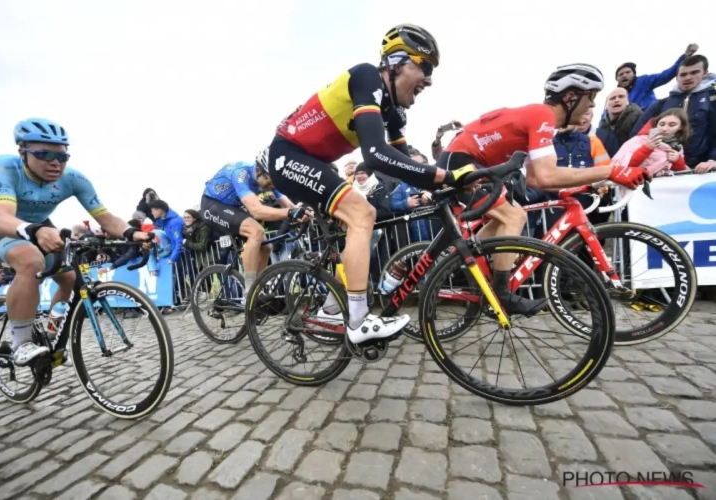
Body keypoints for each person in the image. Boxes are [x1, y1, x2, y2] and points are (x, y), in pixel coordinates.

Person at [267, 24, 477, 344]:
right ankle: (358, 321)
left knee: (356, 230)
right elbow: (376, 155)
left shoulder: (393, 112)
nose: (430, 78)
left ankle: (329, 307)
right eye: (425, 67)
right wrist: (444, 177)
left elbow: (403, 164)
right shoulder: (367, 77)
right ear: (395, 63)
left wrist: (440, 187)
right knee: (362, 214)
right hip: (287, 155)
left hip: (318, 162)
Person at [439, 64, 652, 315]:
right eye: (591, 97)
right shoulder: (543, 117)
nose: (591, 107)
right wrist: (610, 171)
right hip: (461, 161)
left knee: (508, 217)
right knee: (514, 216)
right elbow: (546, 175)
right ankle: (502, 293)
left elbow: (535, 180)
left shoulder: (542, 123)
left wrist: (583, 183)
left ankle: (456, 262)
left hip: (472, 162)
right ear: (571, 97)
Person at [0, 118, 151, 366]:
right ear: (23, 153)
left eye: (62, 157)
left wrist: (132, 234)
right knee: (30, 261)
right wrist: (35, 231)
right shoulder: (1, 169)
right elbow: (0, 219)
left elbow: (106, 218)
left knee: (69, 278)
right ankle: (21, 344)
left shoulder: (74, 179)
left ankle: (50, 335)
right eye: (44, 155)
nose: (55, 163)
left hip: (39, 222)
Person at [199, 150, 308, 296]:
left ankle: (258, 285)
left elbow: (289, 205)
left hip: (232, 207)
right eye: (269, 181)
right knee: (255, 231)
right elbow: (256, 211)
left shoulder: (267, 178)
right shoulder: (241, 173)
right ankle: (249, 291)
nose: (271, 187)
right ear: (258, 170)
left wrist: (304, 213)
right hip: (212, 205)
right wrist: (289, 214)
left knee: (266, 247)